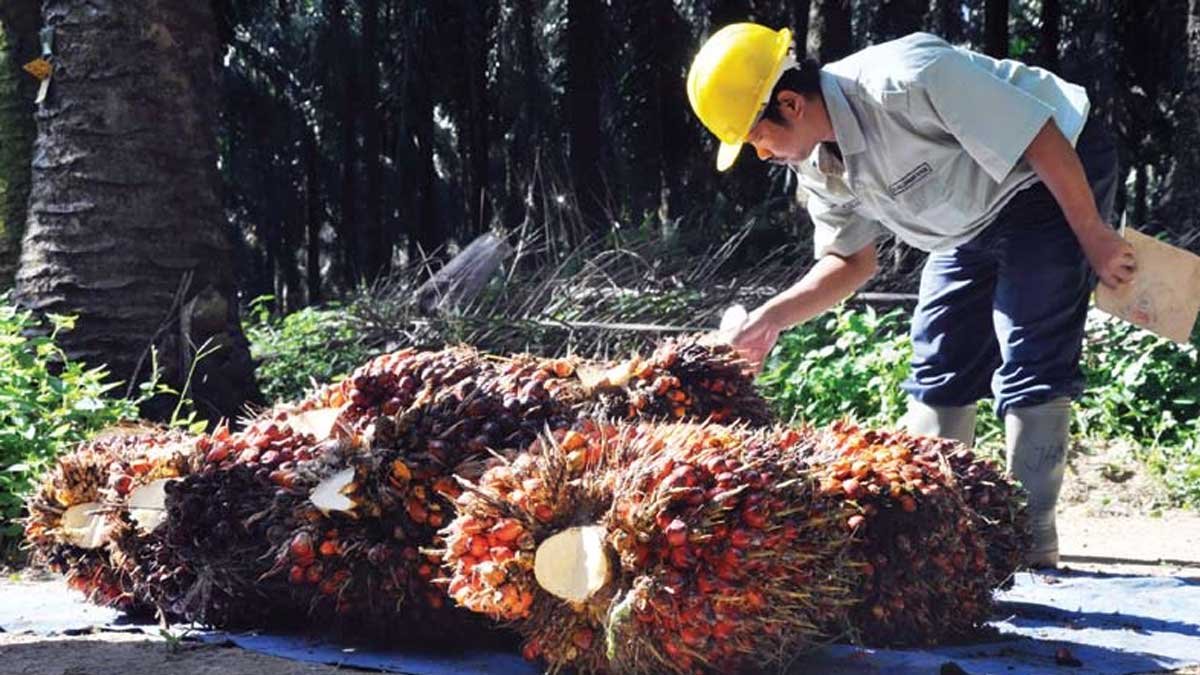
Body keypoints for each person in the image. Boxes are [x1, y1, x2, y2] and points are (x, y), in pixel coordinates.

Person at [686, 23, 1137, 568]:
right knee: (939, 357)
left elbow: (1040, 139)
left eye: (756, 136)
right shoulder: (815, 164)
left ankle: (1028, 540)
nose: (760, 154)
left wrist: (1095, 237)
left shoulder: (908, 78)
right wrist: (770, 320)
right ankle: (948, 531)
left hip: (1050, 172)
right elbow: (851, 262)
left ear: (789, 102)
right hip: (969, 218)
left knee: (1029, 346)